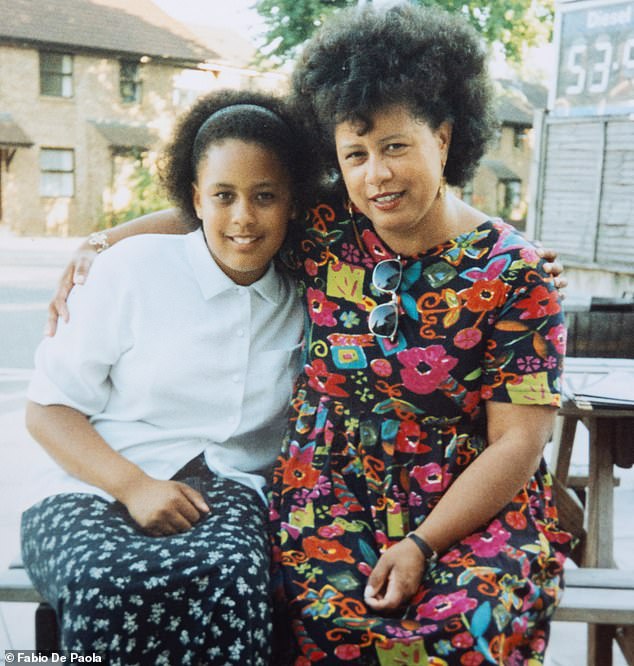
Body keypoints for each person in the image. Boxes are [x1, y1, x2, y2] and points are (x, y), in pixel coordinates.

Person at [46, 6, 571, 664]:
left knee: (465, 630)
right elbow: (223, 203)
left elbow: (518, 443)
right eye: (355, 153)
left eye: (396, 147)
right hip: (330, 499)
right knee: (326, 625)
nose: (375, 174)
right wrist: (99, 242)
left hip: (465, 508)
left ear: (445, 135)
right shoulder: (326, 225)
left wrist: (423, 545)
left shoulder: (517, 275)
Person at [21, 88, 312, 665]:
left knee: (231, 583)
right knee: (110, 586)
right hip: (94, 487)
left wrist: (525, 262)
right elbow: (48, 410)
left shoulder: (306, 292)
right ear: (194, 199)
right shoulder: (131, 270)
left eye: (265, 197)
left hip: (227, 493)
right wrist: (133, 486)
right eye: (223, 196)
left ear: (293, 203)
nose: (243, 218)